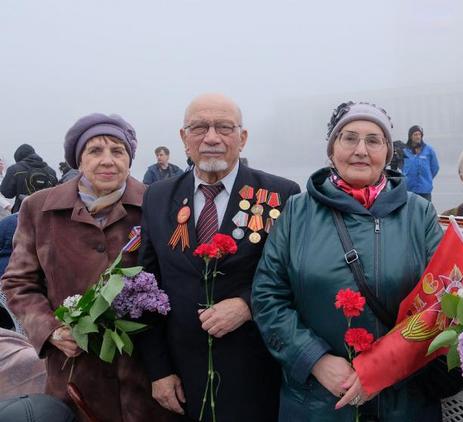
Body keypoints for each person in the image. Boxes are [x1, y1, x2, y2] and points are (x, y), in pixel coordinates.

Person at [252, 101, 444, 421]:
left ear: (387, 151)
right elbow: (268, 295)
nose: (360, 150)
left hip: (402, 399)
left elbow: (441, 299)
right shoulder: (297, 213)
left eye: (373, 140)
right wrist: (313, 359)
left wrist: (382, 368)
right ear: (331, 150)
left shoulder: (418, 214)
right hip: (317, 399)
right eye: (349, 138)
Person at [137, 93, 300, 421]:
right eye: (199, 127)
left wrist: (247, 304)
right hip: (183, 379)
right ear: (184, 138)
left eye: (224, 127)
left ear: (243, 137)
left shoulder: (282, 194)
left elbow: (296, 276)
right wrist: (158, 371)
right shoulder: (157, 197)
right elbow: (146, 290)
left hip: (257, 372)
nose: (211, 137)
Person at [1, 113, 172, 421]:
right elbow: (18, 283)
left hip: (146, 376)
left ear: (130, 160)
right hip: (75, 376)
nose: (107, 160)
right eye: (95, 151)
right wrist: (52, 330)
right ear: (78, 160)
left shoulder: (156, 204)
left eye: (117, 151)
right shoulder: (40, 209)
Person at [0, 144, 57, 213]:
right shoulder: (51, 172)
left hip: (23, 215)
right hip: (46, 216)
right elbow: (55, 197)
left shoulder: (14, 169)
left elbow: (7, 193)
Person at [402, 125, 439, 201]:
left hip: (424, 189)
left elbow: (435, 167)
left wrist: (427, 177)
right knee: (410, 211)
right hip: (409, 188)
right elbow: (401, 167)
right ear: (410, 136)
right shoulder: (404, 151)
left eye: (419, 134)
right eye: (415, 134)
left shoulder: (429, 150)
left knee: (425, 211)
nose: (418, 137)